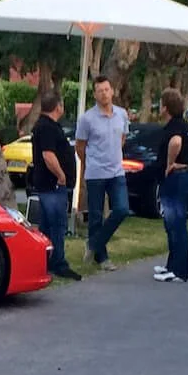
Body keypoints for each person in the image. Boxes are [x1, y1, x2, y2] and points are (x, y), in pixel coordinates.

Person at [73, 76, 131, 270]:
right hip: (96, 172)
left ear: (112, 91)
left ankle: (93, 244)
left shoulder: (121, 114)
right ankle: (102, 258)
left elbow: (123, 137)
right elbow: (80, 146)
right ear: (95, 94)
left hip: (116, 171)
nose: (104, 93)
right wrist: (89, 162)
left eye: (107, 89)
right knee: (96, 216)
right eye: (100, 90)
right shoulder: (87, 119)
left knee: (122, 209)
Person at [27, 90, 82, 279]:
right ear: (58, 106)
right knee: (56, 224)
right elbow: (48, 155)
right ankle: (58, 262)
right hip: (52, 185)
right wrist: (61, 175)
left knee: (47, 225)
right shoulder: (48, 127)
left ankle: (45, 260)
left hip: (48, 184)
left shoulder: (44, 126)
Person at [152, 88, 188, 283]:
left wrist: (170, 163)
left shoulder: (174, 128)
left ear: (166, 107)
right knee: (172, 225)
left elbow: (175, 143)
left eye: (162, 104)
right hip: (186, 175)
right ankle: (172, 265)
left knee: (176, 224)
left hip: (176, 179)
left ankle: (179, 271)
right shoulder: (186, 126)